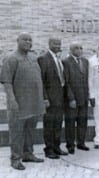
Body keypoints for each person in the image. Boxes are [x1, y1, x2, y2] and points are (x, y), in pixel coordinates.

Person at [0, 32, 45, 170]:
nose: (28, 42)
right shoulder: (11, 58)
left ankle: (28, 154)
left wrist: (42, 99)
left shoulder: (33, 57)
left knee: (30, 130)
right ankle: (15, 158)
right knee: (17, 132)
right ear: (17, 40)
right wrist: (12, 101)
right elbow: (7, 82)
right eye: (25, 39)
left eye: (30, 40)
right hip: (19, 104)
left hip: (34, 103)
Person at [38, 37, 68, 159]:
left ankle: (56, 146)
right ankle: (49, 149)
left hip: (60, 98)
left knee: (58, 123)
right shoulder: (43, 59)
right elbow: (42, 81)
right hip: (50, 99)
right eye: (55, 43)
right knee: (49, 124)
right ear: (49, 44)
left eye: (59, 43)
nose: (57, 45)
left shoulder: (58, 59)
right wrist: (45, 98)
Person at [63, 42, 90, 154]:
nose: (79, 50)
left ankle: (81, 143)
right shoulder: (66, 62)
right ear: (71, 50)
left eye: (80, 48)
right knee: (70, 122)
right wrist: (71, 98)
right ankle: (70, 145)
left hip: (83, 98)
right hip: (73, 99)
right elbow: (66, 82)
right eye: (76, 48)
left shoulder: (85, 61)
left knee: (82, 121)